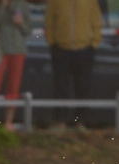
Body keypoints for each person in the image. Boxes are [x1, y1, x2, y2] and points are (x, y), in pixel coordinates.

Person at [44, 0, 101, 128]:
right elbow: (49, 21)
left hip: (84, 49)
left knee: (83, 87)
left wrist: (94, 43)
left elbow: (96, 20)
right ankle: (61, 122)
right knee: (61, 87)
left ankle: (80, 122)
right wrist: (52, 43)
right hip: (60, 49)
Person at [0, 0, 31, 130]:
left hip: (18, 49)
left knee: (13, 85)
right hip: (0, 48)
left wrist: (21, 23)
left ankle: (8, 121)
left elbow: (28, 30)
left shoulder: (22, 4)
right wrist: (2, 7)